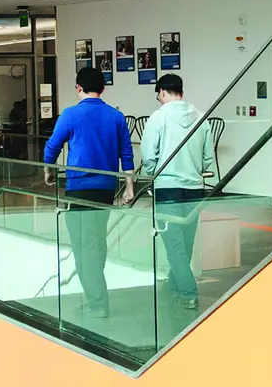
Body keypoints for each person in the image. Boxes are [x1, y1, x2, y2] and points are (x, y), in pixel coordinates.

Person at [42, 67, 134, 317]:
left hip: (79, 188)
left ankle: (97, 302)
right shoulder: (116, 116)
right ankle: (95, 295)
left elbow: (52, 147)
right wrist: (129, 187)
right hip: (106, 188)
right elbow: (126, 154)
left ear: (77, 88)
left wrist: (49, 172)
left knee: (84, 245)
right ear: (103, 89)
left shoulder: (70, 114)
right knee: (96, 241)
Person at [140, 75, 217, 310]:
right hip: (195, 188)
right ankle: (175, 284)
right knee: (185, 242)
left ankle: (188, 292)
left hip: (167, 189)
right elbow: (207, 158)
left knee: (173, 245)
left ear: (162, 93)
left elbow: (148, 157)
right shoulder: (202, 118)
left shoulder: (158, 118)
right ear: (181, 93)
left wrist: (154, 175)